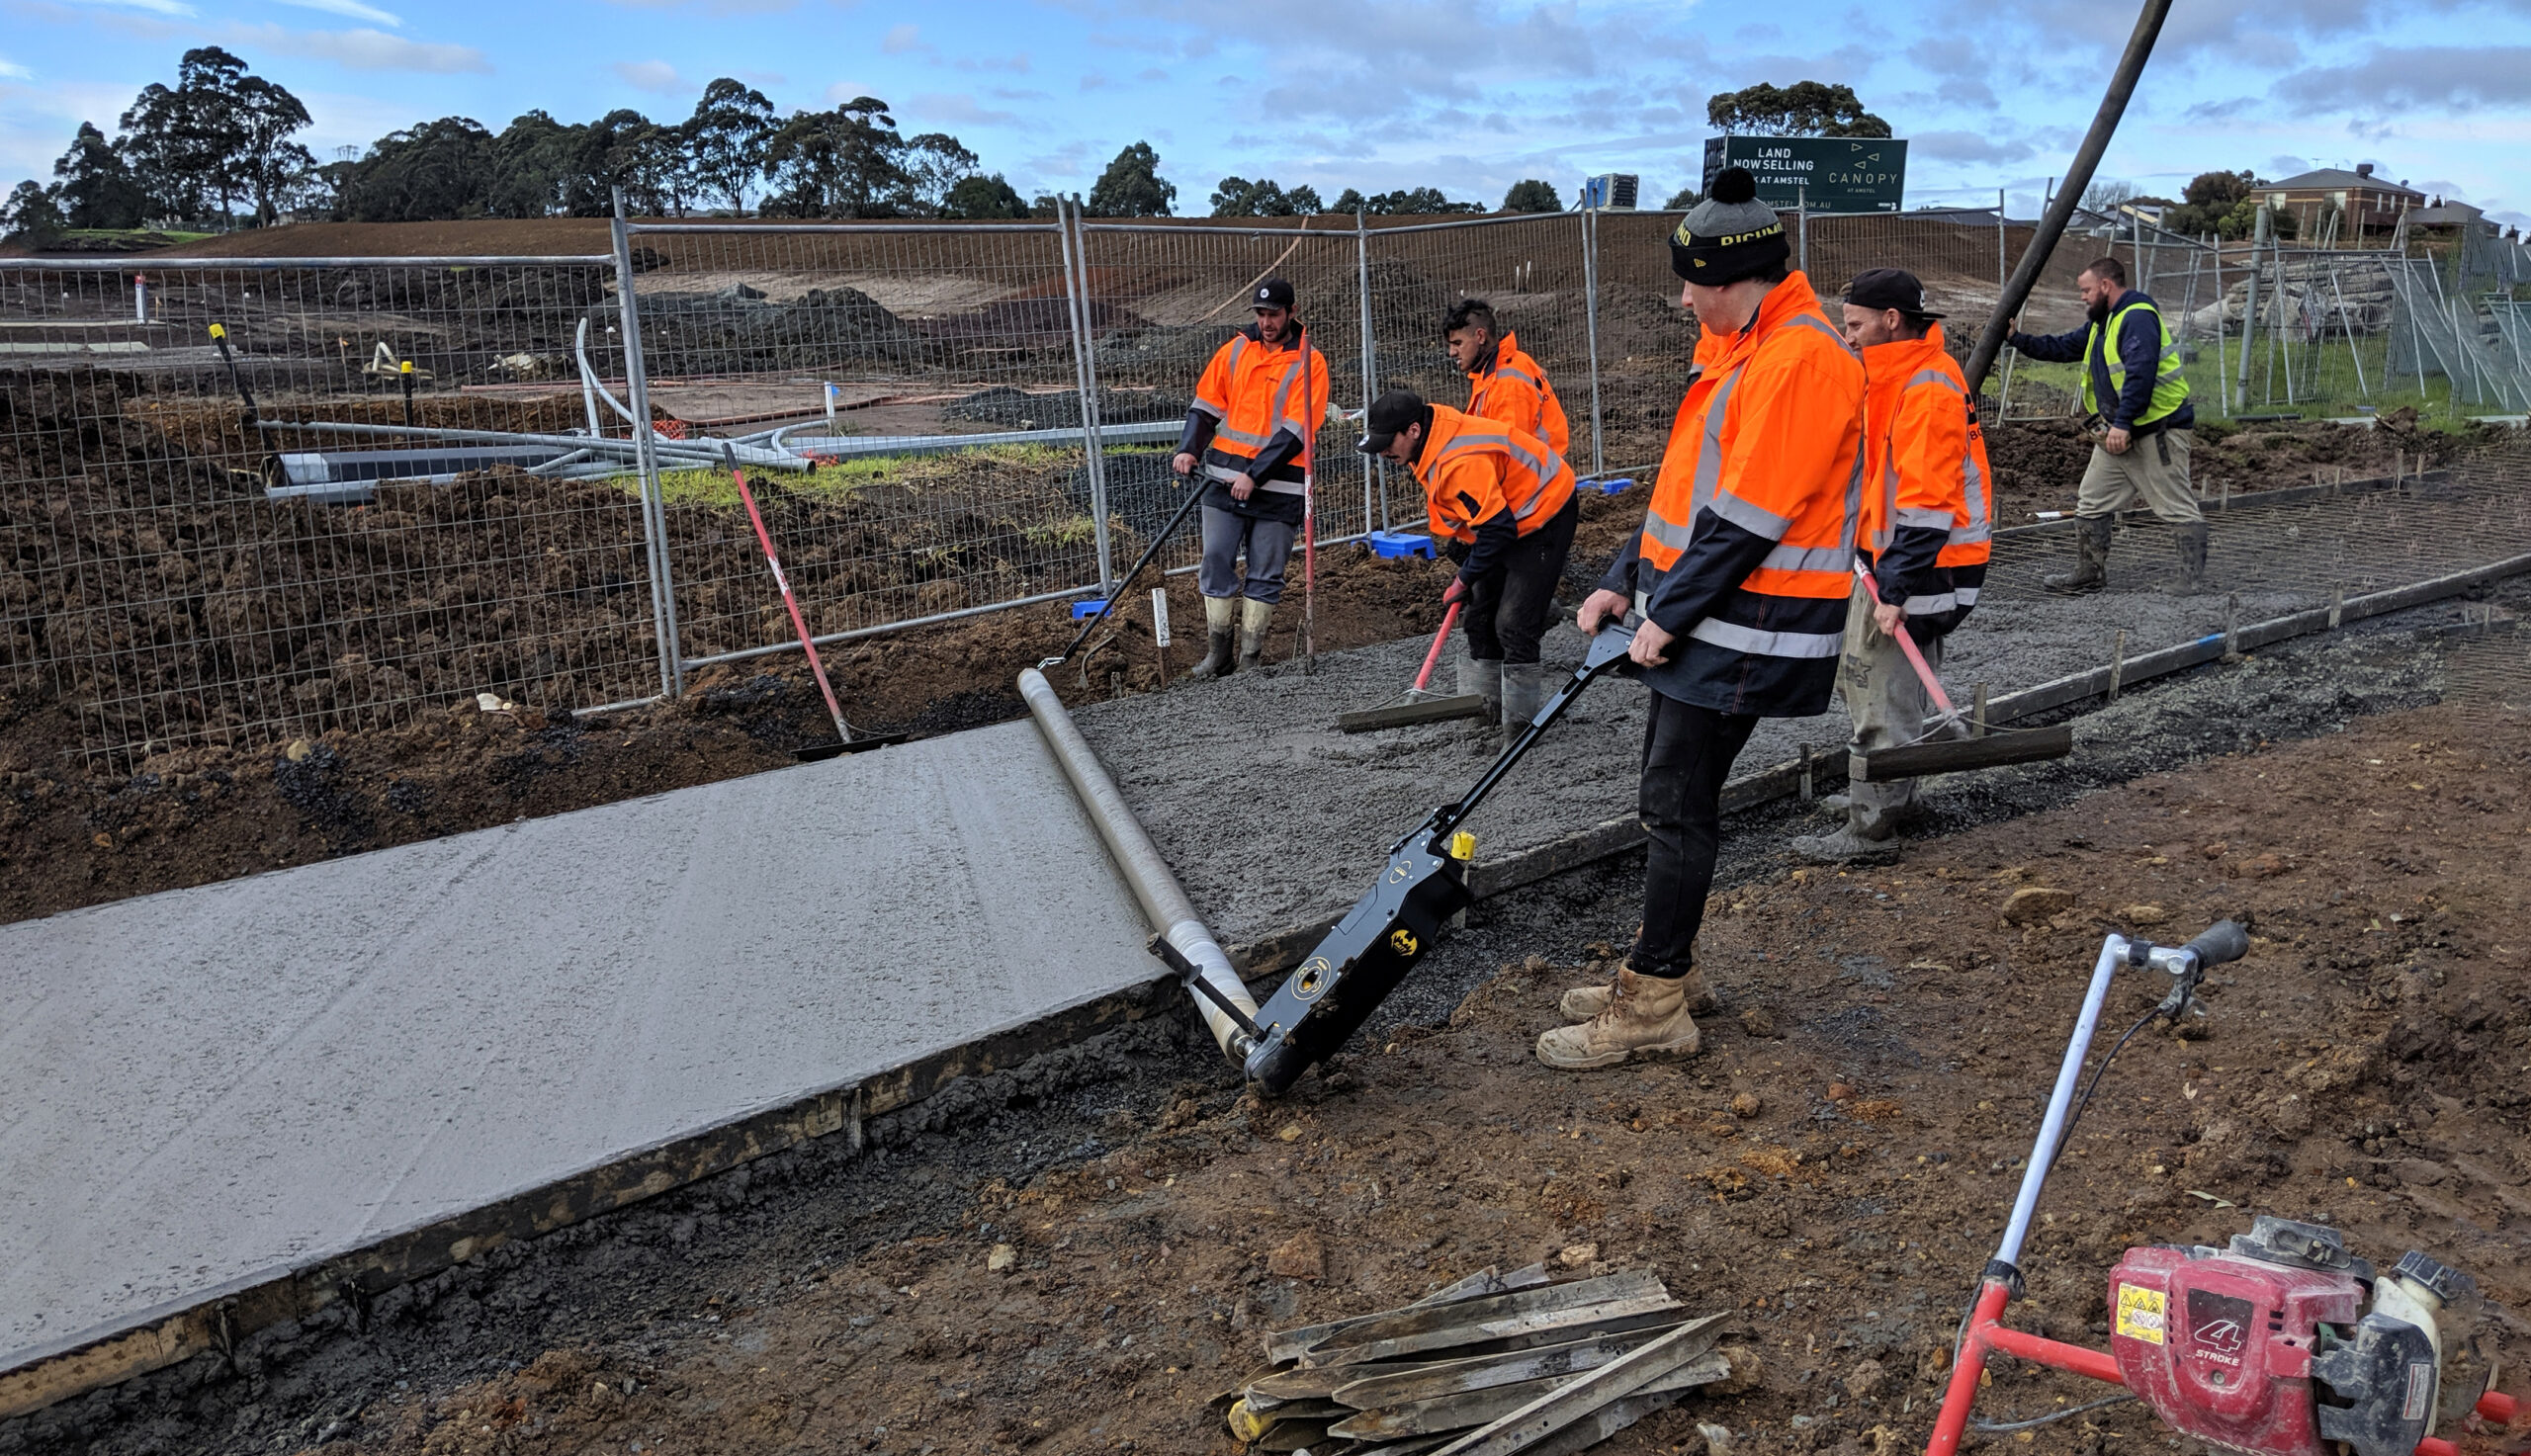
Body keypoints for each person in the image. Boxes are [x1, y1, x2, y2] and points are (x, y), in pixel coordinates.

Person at [1542, 166, 1867, 1071]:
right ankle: (1666, 970)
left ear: (1739, 280)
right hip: (1715, 616)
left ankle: (1653, 1002)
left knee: (1674, 803)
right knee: (1674, 798)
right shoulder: (1745, 349)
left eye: (1694, 283)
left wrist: (1669, 615)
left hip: (1749, 627)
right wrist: (1623, 579)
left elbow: (1751, 517)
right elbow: (1687, 495)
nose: (1683, 298)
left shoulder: (1802, 359)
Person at [1790, 268, 1994, 865]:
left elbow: (1928, 503)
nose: (1846, 336)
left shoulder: (1925, 388)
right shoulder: (1898, 377)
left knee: (1878, 690)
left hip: (1924, 568)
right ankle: (1888, 794)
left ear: (1891, 320)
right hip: (1899, 562)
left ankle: (1873, 827)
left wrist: (1897, 587)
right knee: (1879, 686)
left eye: (1855, 325)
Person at [1357, 387, 1579, 745]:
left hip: (1545, 512)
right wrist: (1462, 546)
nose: (1383, 452)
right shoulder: (1430, 438)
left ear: (1413, 430)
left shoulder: (1458, 459)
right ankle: (1486, 712)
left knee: (1513, 624)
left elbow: (1498, 529)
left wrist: (1465, 576)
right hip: (1507, 514)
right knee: (1477, 618)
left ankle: (1519, 732)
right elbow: (1478, 510)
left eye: (1387, 442)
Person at [2003, 255, 2201, 594]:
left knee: (2175, 504)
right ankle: (2090, 573)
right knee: (2092, 500)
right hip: (2120, 431)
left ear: (2106, 286)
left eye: (2086, 290)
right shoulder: (2103, 322)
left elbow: (2141, 373)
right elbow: (2065, 347)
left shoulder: (2136, 317)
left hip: (2157, 429)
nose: (2082, 297)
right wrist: (2018, 339)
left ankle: (2189, 580)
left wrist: (2122, 424)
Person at [1173, 278, 1332, 675]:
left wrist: (1255, 475)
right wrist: (1190, 447)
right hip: (1224, 480)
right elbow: (1207, 404)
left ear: (1292, 312)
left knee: (1265, 570)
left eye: (1273, 314)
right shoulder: (1236, 350)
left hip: (1278, 487)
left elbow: (1297, 431)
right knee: (1215, 559)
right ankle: (1218, 654)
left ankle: (1249, 658)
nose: (1266, 322)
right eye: (1260, 314)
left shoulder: (1310, 362)